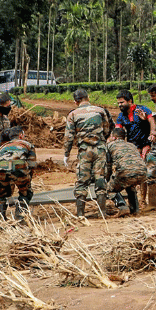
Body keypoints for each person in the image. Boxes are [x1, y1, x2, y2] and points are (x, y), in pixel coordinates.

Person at [63, 88, 112, 218]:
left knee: (82, 180)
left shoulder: (73, 114)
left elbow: (69, 136)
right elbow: (107, 129)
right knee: (100, 179)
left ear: (75, 101)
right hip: (100, 148)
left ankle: (80, 214)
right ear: (88, 97)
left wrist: (66, 154)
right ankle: (102, 212)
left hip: (84, 151)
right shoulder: (100, 111)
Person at [0, 126, 36, 221]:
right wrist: (27, 182)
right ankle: (20, 216)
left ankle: (0, 219)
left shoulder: (2, 146)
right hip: (19, 167)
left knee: (1, 195)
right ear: (21, 136)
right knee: (26, 193)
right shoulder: (27, 145)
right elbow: (32, 165)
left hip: (1, 167)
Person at [104, 127, 146, 217]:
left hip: (125, 172)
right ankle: (135, 209)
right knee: (130, 185)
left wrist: (107, 179)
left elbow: (108, 165)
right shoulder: (132, 145)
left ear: (114, 137)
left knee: (110, 189)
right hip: (142, 172)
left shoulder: (110, 145)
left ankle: (122, 206)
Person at [114, 90, 152, 158]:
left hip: (147, 144)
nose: (120, 105)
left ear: (130, 101)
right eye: (118, 103)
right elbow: (118, 130)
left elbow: (152, 122)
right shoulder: (121, 116)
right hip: (133, 146)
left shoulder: (143, 109)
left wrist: (145, 120)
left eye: (122, 102)